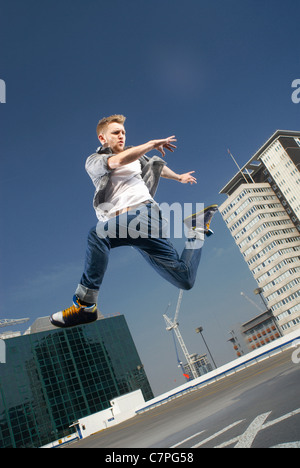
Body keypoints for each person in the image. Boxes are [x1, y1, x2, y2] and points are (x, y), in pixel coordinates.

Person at [50, 115, 218, 328]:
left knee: (97, 235)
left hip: (145, 215)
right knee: (184, 279)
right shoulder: (94, 160)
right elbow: (117, 161)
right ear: (102, 138)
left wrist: (178, 176)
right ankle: (198, 229)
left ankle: (85, 306)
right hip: (129, 228)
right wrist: (149, 144)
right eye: (116, 132)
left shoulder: (138, 157)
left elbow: (156, 166)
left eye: (123, 132)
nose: (122, 135)